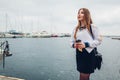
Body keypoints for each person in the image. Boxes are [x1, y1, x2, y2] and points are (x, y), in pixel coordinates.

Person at [70, 8, 102, 80]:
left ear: (86, 15)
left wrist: (86, 44)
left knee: (84, 76)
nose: (79, 14)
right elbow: (71, 41)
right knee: (82, 75)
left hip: (89, 55)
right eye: (78, 13)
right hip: (79, 54)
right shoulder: (75, 29)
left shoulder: (93, 27)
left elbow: (99, 40)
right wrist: (73, 45)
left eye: (82, 12)